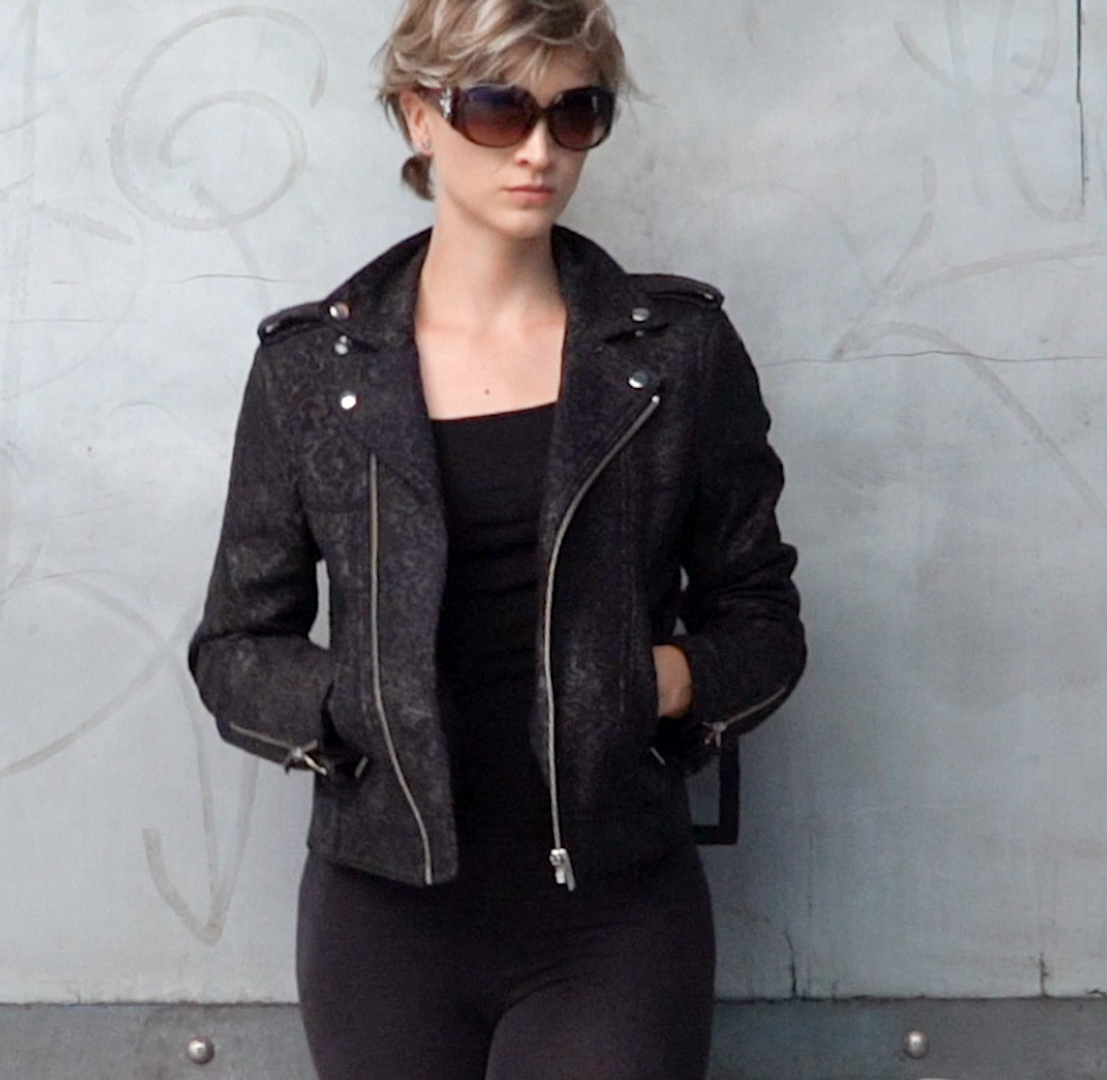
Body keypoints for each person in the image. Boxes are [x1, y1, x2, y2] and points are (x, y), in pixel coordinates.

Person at [186, 0, 805, 1076]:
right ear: (417, 115)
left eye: (577, 114)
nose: (538, 150)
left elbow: (762, 624)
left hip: (615, 912)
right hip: (382, 916)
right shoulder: (312, 373)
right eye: (497, 109)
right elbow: (236, 649)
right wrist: (354, 700)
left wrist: (658, 682)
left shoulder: (674, 355)